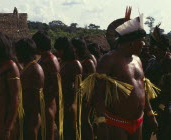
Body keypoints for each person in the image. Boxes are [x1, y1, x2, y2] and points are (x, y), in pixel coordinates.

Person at [81, 8, 159, 140]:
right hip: (116, 123)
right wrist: (101, 121)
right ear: (131, 43)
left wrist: (150, 114)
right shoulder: (109, 59)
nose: (144, 44)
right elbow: (98, 92)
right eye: (142, 40)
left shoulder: (137, 60)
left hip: (138, 121)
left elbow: (143, 88)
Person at [144, 24, 171, 140]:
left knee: (163, 134)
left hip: (164, 106)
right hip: (150, 104)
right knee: (145, 133)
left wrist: (161, 106)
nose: (150, 48)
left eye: (153, 46)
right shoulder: (152, 61)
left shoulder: (168, 62)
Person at [15, 38, 45, 140]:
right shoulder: (29, 67)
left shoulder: (34, 68)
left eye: (17, 52)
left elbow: (34, 98)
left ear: (24, 52)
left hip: (31, 117)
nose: (16, 54)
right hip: (27, 116)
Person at [32, 31, 60, 140]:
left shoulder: (51, 60)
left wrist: (44, 100)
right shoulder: (44, 58)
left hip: (47, 105)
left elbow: (56, 86)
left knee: (47, 135)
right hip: (42, 104)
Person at [54, 37, 83, 140]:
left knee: (70, 132)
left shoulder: (76, 64)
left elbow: (79, 88)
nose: (58, 52)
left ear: (66, 49)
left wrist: (72, 104)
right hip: (59, 102)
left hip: (69, 103)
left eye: (59, 50)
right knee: (62, 131)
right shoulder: (61, 61)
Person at [72, 37, 96, 140]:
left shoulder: (89, 61)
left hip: (86, 95)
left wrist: (88, 97)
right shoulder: (79, 59)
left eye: (73, 47)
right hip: (79, 94)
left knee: (85, 120)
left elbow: (93, 80)